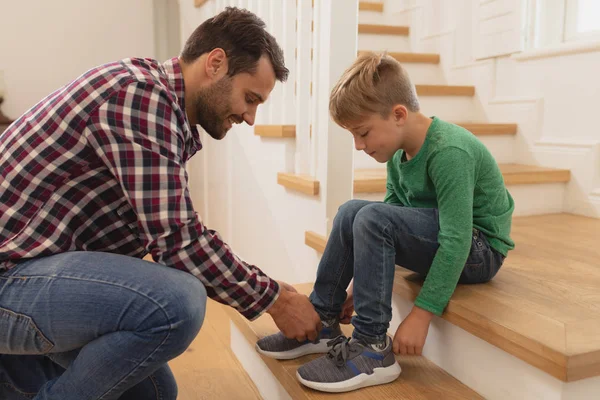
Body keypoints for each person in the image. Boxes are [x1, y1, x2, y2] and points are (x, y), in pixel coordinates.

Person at [0, 7, 322, 400]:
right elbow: (179, 242)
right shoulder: (139, 95)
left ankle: (16, 373)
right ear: (216, 64)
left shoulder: (158, 104)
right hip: (8, 278)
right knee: (179, 301)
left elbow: (167, 236)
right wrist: (275, 299)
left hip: (28, 270)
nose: (251, 117)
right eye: (250, 98)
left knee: (152, 392)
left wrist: (273, 290)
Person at [256, 51, 515, 393]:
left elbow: (456, 240)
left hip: (478, 248)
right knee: (351, 211)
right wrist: (358, 288)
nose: (359, 145)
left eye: (362, 133)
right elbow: (393, 220)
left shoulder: (450, 152)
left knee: (373, 216)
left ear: (398, 115)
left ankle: (373, 347)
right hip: (442, 237)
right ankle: (324, 321)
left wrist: (422, 315)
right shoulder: (398, 153)